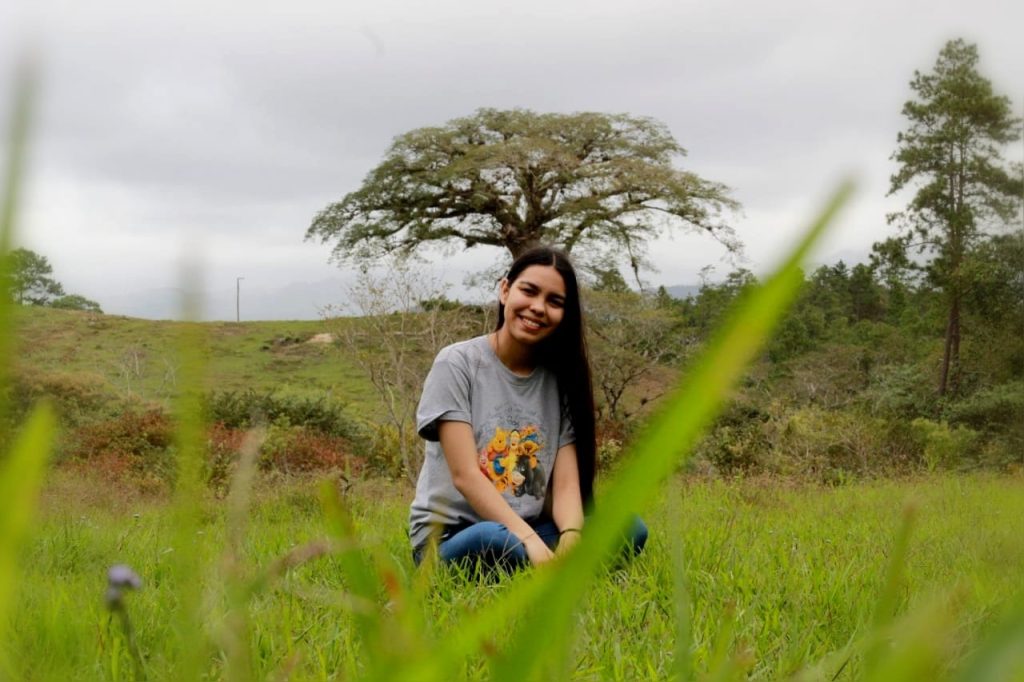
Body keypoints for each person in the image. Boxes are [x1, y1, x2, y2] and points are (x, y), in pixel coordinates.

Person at [408, 246, 647, 570]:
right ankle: (546, 571)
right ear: (505, 290)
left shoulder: (559, 381)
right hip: (455, 538)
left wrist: (571, 538)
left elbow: (564, 485)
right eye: (529, 291)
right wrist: (530, 542)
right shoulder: (458, 363)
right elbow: (465, 475)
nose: (538, 308)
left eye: (554, 301)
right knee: (493, 540)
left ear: (565, 315)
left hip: (528, 532)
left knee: (629, 527)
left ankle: (547, 571)